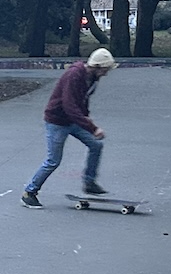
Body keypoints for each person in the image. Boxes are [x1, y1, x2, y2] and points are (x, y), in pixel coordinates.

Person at [22, 47, 115, 207]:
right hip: (57, 121)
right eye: (105, 70)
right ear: (97, 66)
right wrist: (92, 128)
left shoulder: (92, 78)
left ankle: (89, 183)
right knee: (53, 160)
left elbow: (83, 100)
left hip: (73, 121)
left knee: (96, 145)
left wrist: (86, 116)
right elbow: (70, 106)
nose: (106, 73)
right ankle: (29, 192)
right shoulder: (74, 75)